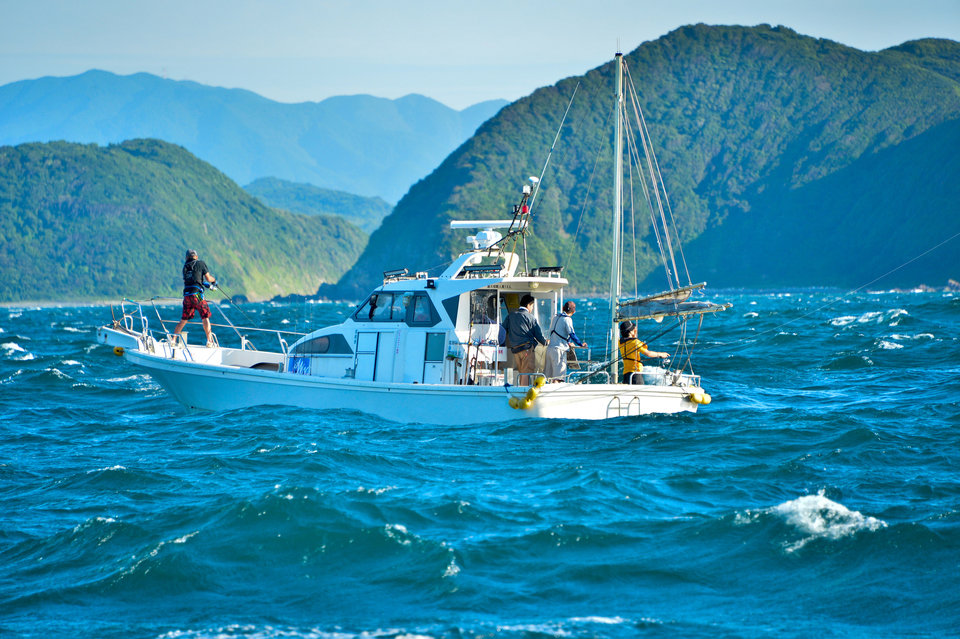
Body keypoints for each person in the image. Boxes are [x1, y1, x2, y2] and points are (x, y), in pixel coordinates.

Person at [172, 249, 218, 347]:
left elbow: (190, 279)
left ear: (186, 258)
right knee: (205, 316)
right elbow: (208, 278)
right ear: (196, 257)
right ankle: (209, 341)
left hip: (187, 296)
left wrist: (202, 283)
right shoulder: (201, 263)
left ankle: (173, 340)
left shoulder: (185, 267)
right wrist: (214, 282)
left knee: (184, 319)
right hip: (197, 294)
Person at [502, 293, 546, 385]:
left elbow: (503, 329)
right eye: (532, 305)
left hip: (515, 350)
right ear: (528, 305)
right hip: (526, 348)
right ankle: (523, 391)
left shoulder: (511, 315)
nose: (532, 308)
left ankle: (520, 389)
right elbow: (538, 334)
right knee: (526, 372)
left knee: (521, 372)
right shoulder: (530, 317)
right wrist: (545, 342)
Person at [545, 300, 587, 381]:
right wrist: (581, 344)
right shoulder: (567, 319)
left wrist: (567, 342)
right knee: (558, 379)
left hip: (550, 349)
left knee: (548, 378)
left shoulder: (556, 317)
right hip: (559, 351)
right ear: (573, 311)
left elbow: (556, 332)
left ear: (563, 308)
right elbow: (572, 334)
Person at [618, 320, 669, 384]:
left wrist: (633, 334)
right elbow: (648, 353)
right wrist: (660, 354)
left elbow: (628, 340)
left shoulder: (620, 343)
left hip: (626, 375)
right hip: (635, 375)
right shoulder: (635, 342)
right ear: (630, 332)